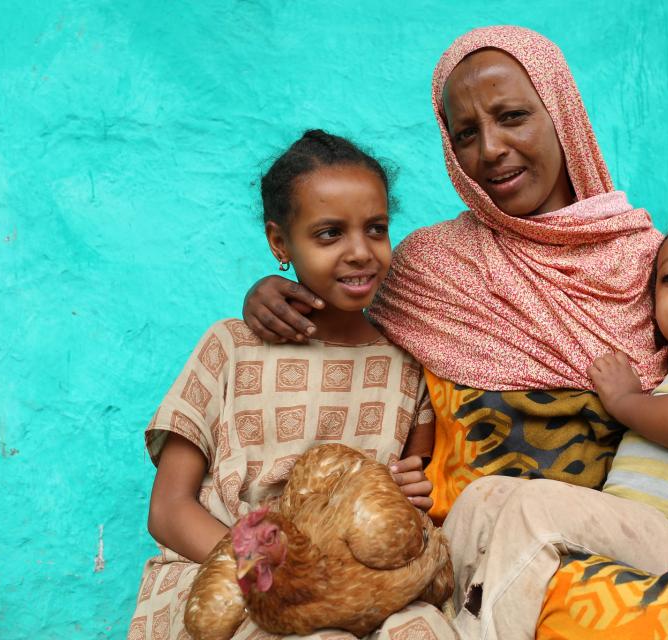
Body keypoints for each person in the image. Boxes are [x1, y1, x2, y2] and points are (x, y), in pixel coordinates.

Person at [239, 26, 668, 640]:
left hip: (628, 531)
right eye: (466, 133)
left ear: (562, 113)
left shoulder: (654, 263)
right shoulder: (431, 266)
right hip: (495, 537)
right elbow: (344, 310)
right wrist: (272, 293)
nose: (490, 149)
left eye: (512, 116)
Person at [128, 130, 454, 640]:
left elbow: (417, 494)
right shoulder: (231, 347)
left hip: (354, 588)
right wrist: (273, 577)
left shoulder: (406, 365)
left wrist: (410, 495)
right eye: (329, 234)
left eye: (376, 229)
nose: (360, 252)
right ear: (280, 242)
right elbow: (169, 510)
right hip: (226, 576)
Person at [444, 215, 668, 638]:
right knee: (484, 497)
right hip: (645, 529)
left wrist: (623, 400)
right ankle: (436, 615)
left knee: (536, 508)